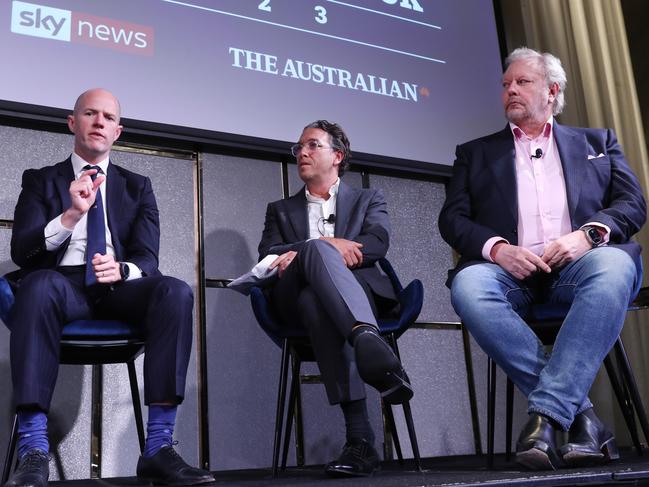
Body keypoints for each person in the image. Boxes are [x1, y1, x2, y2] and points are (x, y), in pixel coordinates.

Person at [439, 47, 646, 471]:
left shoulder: (596, 142)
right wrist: (498, 249)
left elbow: (633, 203)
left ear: (552, 90)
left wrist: (587, 236)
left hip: (578, 266)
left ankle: (547, 414)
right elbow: (452, 219)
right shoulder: (475, 153)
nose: (510, 90)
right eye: (505, 84)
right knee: (468, 287)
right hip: (509, 273)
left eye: (522, 82)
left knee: (615, 266)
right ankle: (582, 417)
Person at [4, 89, 215, 487]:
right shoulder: (40, 180)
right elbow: (22, 252)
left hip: (118, 288)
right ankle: (32, 450)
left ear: (118, 131)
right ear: (73, 123)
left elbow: (147, 258)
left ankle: (158, 447)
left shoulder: (138, 186)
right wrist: (69, 216)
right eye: (89, 113)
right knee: (38, 283)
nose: (99, 121)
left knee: (174, 291)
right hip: (60, 287)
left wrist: (122, 268)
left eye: (107, 117)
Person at [258, 120, 412, 477]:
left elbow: (377, 242)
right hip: (291, 300)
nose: (302, 154)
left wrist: (321, 252)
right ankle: (367, 340)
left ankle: (360, 440)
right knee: (313, 264)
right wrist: (325, 246)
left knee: (319, 302)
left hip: (353, 295)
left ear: (337, 156)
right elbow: (268, 253)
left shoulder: (368, 198)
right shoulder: (279, 209)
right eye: (299, 148)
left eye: (312, 145)